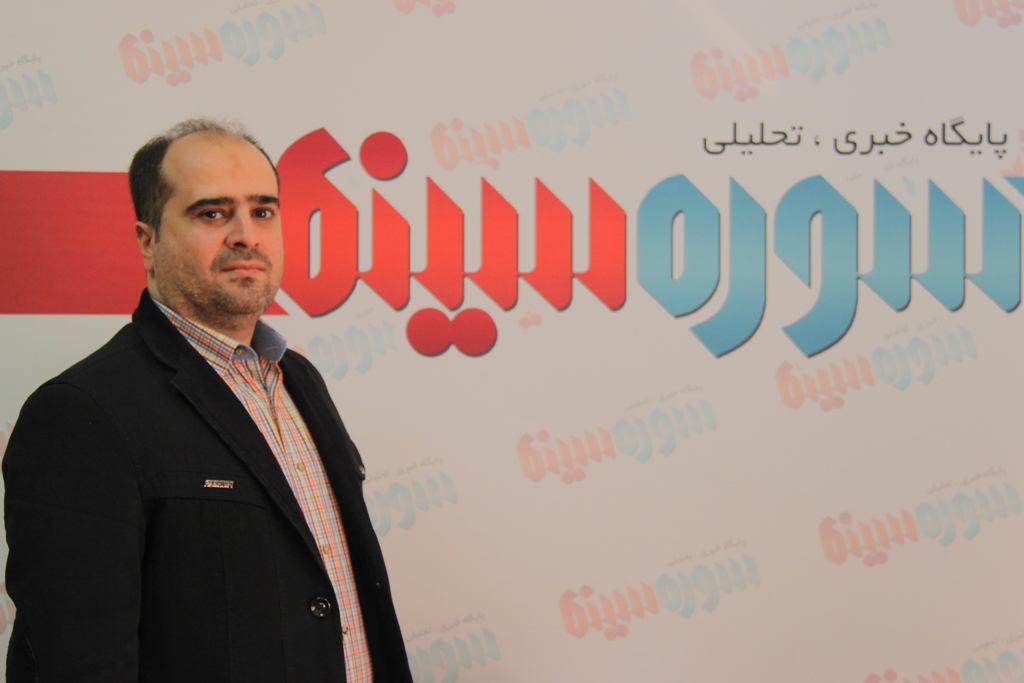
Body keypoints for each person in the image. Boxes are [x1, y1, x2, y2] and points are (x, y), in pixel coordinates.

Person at [2, 119, 413, 682]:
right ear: (148, 240)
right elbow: (79, 661)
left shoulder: (299, 380)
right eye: (213, 213)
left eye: (263, 211)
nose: (246, 235)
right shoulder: (82, 412)